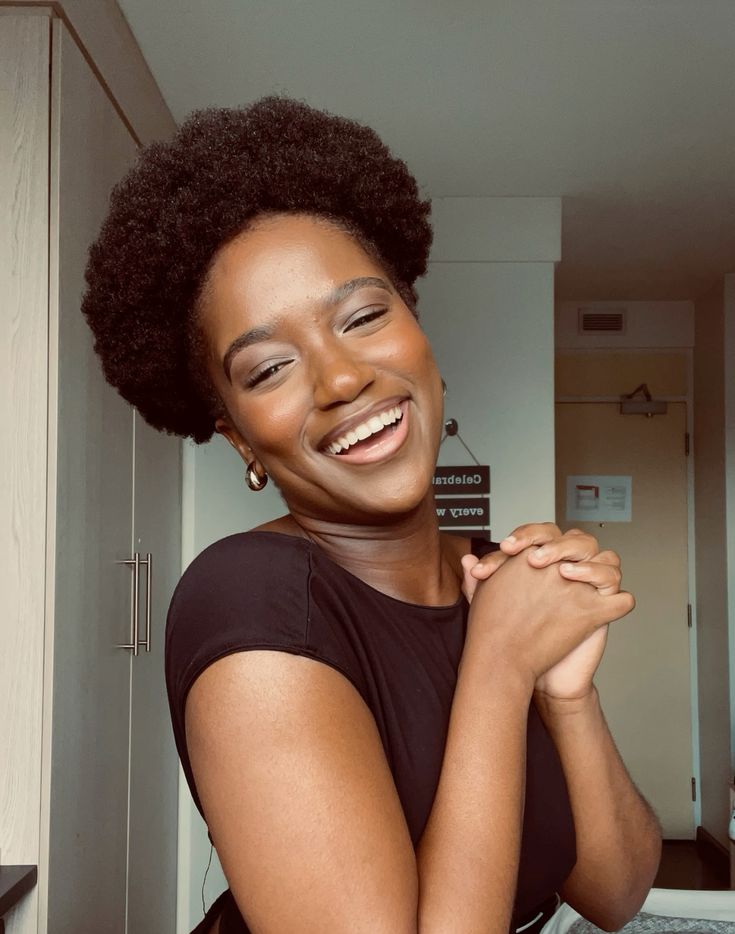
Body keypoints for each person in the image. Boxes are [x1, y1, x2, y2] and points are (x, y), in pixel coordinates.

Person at [82, 97, 661, 934]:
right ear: (239, 437)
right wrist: (499, 664)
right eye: (269, 368)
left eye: (362, 318)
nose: (341, 378)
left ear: (417, 331)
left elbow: (613, 896)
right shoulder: (249, 601)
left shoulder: (493, 576)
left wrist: (564, 691)